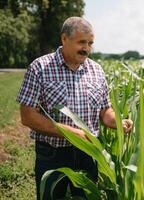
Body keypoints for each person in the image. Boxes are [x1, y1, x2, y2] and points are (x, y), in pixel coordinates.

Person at [16, 16, 133, 200]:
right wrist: (71, 133)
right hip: (53, 154)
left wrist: (118, 122)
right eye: (81, 42)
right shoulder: (39, 68)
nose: (86, 48)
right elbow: (28, 116)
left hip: (89, 153)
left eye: (90, 43)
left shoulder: (96, 70)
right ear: (64, 39)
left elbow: (105, 110)